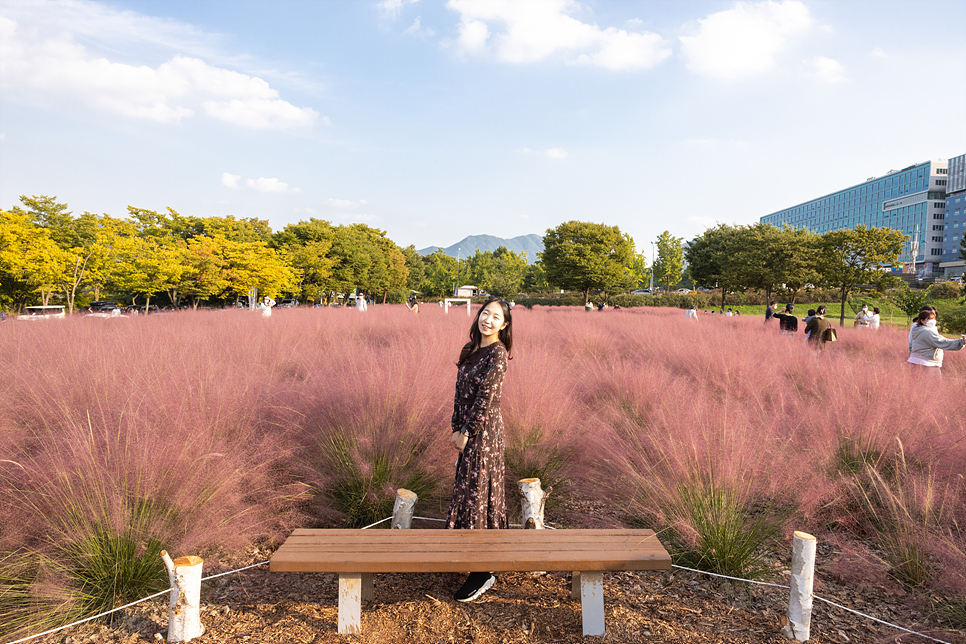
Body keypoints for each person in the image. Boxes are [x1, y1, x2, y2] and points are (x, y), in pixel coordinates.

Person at [448, 298, 513, 602]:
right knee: (468, 492)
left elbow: (486, 397)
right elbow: (460, 393)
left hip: (484, 434)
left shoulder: (497, 354)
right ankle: (471, 557)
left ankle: (483, 571)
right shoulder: (471, 350)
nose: (488, 319)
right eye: (485, 313)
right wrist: (455, 426)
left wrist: (467, 431)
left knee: (479, 495)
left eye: (495, 316)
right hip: (467, 431)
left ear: (504, 324)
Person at [907, 305, 965, 377]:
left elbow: (911, 343)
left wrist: (911, 354)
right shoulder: (927, 332)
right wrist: (962, 342)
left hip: (916, 362)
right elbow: (942, 342)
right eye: (929, 318)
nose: (932, 321)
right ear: (922, 320)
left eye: (933, 318)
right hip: (927, 364)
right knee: (933, 386)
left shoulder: (918, 328)